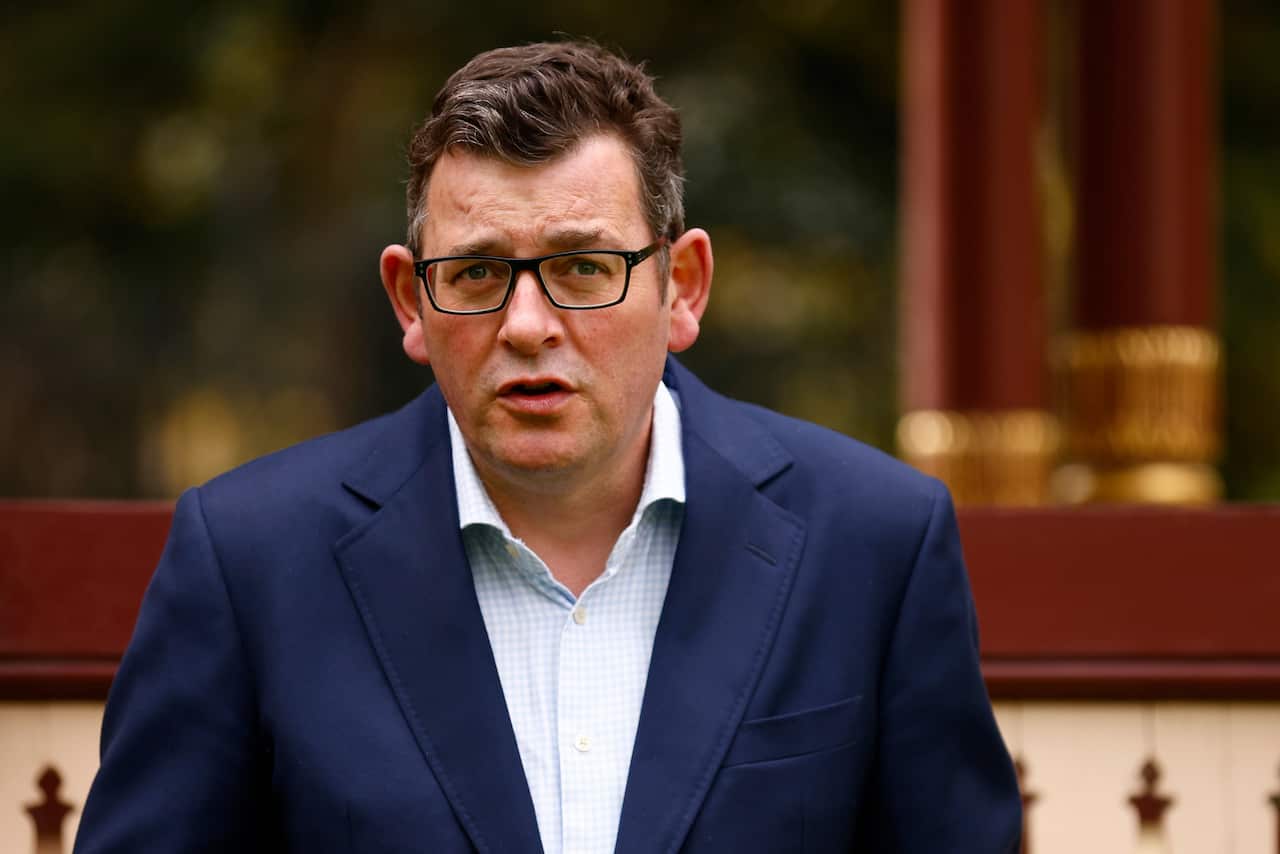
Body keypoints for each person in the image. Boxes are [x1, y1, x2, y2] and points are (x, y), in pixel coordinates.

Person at [75, 40, 1021, 853]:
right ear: (411, 301)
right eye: (479, 271)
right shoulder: (249, 559)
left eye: (581, 266)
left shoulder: (874, 542)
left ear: (682, 286)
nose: (528, 324)